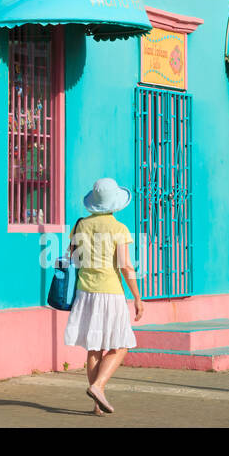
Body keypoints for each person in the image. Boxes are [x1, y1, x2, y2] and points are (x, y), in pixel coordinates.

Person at [63, 177, 144, 414]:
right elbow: (126, 267)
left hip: (85, 293)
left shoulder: (80, 226)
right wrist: (138, 297)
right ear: (115, 204)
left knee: (94, 348)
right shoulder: (119, 229)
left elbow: (74, 258)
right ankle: (98, 385)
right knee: (121, 346)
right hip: (110, 293)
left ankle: (97, 405)